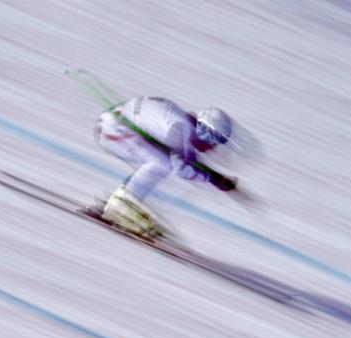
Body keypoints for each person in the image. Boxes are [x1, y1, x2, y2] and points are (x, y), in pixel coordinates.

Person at [86, 96, 237, 236]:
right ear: (206, 131)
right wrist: (213, 178)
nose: (214, 148)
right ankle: (121, 206)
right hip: (113, 131)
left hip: (113, 124)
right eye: (215, 141)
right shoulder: (179, 129)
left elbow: (187, 156)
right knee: (163, 164)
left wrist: (213, 177)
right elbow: (182, 169)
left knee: (159, 159)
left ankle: (121, 202)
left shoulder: (182, 123)